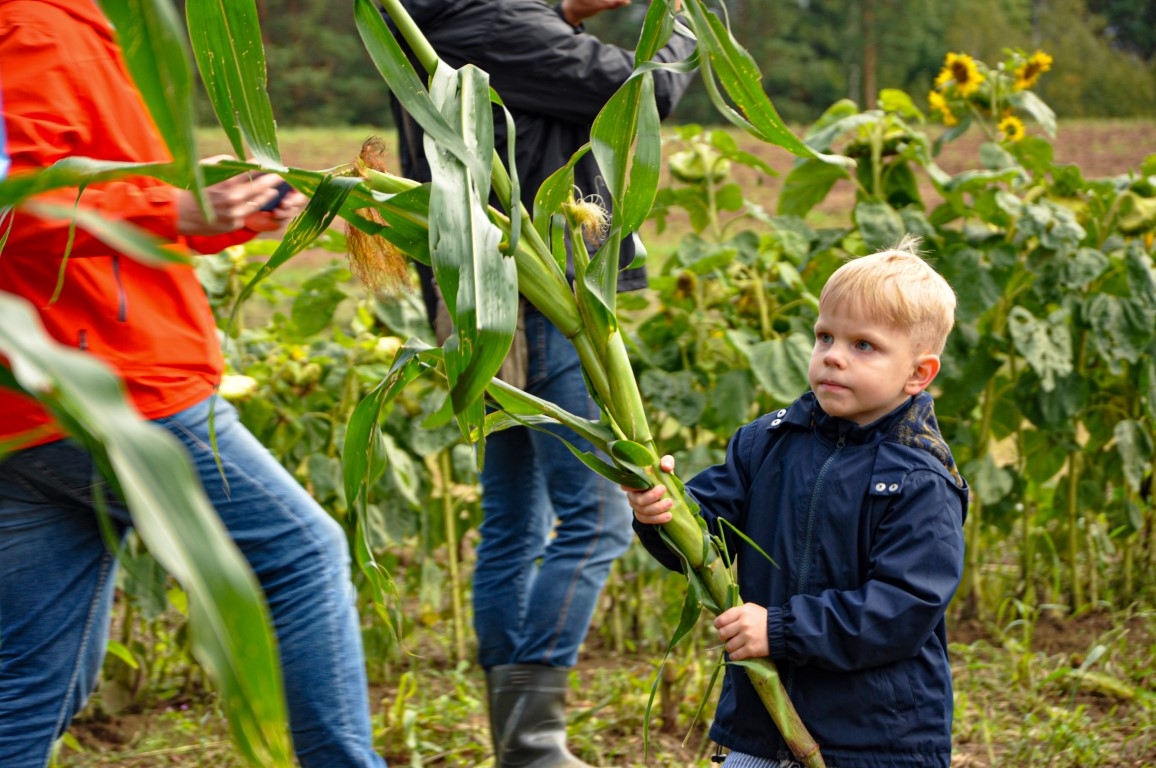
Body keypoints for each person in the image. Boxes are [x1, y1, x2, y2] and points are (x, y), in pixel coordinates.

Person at [0, 3, 388, 767]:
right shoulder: (34, 26)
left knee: (35, 680)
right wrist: (175, 206)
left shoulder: (72, 24)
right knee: (303, 554)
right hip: (110, 387)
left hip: (35, 405)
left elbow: (98, 193)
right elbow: (16, 198)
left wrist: (217, 214)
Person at [387, 1, 694, 765]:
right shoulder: (490, 20)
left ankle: (519, 744)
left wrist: (565, 12)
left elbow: (543, 70)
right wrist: (686, 27)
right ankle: (533, 741)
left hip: (485, 303)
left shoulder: (454, 17)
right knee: (597, 517)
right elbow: (636, 94)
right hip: (538, 299)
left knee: (514, 522)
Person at [624, 238, 969, 768]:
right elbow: (702, 538)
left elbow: (903, 607)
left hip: (877, 738)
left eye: (863, 345)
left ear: (918, 375)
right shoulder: (766, 442)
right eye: (825, 336)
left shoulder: (920, 478)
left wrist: (780, 629)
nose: (832, 354)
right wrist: (661, 511)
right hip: (762, 723)